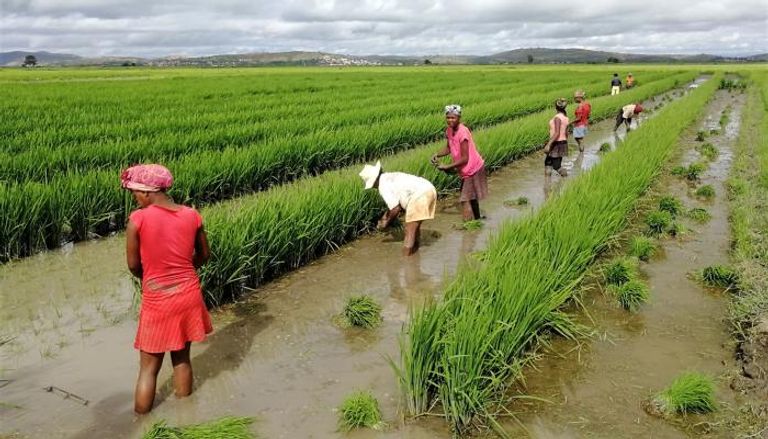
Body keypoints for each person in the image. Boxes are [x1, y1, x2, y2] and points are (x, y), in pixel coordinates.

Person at [121, 164, 212, 414]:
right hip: (188, 294)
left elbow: (132, 266)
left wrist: (150, 277)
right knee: (181, 359)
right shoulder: (192, 215)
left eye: (135, 193)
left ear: (148, 192)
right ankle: (186, 416)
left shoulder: (138, 219)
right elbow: (205, 254)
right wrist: (184, 272)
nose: (135, 198)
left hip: (158, 298)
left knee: (148, 369)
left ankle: (141, 424)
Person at [359, 161, 437, 256]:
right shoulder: (389, 177)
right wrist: (386, 216)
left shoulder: (383, 186)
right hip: (429, 189)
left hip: (420, 195)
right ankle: (415, 253)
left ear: (374, 181)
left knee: (409, 231)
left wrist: (386, 223)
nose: (374, 187)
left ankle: (407, 262)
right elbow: (395, 204)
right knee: (414, 227)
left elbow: (396, 208)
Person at [431, 104, 488, 221]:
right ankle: (477, 220)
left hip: (473, 168)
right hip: (466, 168)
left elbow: (465, 158)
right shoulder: (449, 130)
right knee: (471, 198)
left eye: (453, 117)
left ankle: (469, 228)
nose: (450, 120)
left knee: (464, 199)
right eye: (448, 117)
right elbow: (449, 148)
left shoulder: (463, 132)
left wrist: (447, 166)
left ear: (459, 118)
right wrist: (437, 154)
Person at [544, 98, 570, 179]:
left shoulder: (557, 118)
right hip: (562, 143)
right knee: (548, 162)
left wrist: (549, 144)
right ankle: (547, 184)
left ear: (556, 107)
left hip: (556, 143)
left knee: (556, 166)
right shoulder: (566, 117)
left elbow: (557, 133)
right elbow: (566, 133)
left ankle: (565, 178)